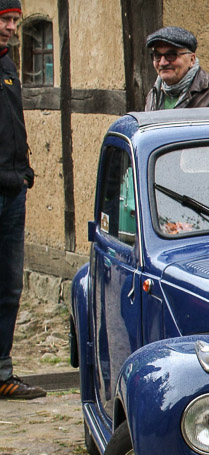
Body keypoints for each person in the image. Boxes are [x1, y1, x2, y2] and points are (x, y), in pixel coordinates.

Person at [0, 0, 44, 400]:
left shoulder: (7, 66)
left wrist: (24, 170)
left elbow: (14, 124)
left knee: (9, 285)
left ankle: (2, 371)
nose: (11, 27)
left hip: (12, 189)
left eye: (15, 20)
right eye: (5, 20)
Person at [144, 26, 209, 111]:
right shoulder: (154, 94)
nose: (162, 62)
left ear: (192, 60)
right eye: (157, 56)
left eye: (171, 55)